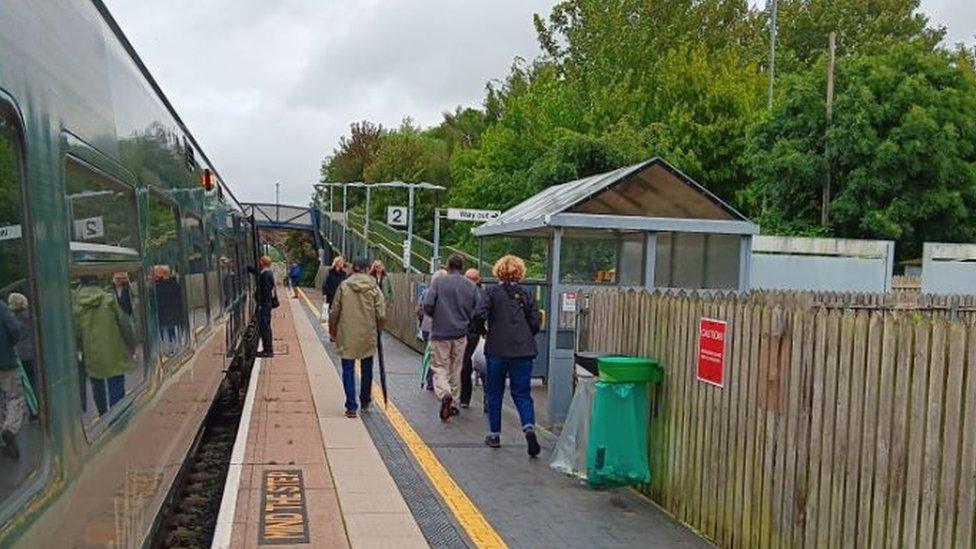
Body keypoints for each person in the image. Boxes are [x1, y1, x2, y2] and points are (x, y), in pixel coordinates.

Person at [482, 255, 541, 457]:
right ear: (520, 272)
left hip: (497, 348)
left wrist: (483, 331)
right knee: (522, 392)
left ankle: (495, 435)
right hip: (523, 350)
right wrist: (525, 336)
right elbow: (535, 322)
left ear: (499, 271)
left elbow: (478, 314)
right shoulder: (527, 294)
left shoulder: (491, 293)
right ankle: (528, 426)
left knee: (494, 392)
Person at [423, 254, 482, 421]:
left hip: (441, 332)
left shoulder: (439, 282)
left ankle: (444, 394)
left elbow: (427, 304)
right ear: (462, 267)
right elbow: (478, 308)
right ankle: (455, 403)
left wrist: (435, 315)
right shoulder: (470, 286)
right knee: (457, 368)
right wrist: (466, 317)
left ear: (447, 266)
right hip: (460, 333)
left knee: (439, 366)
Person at [329, 257, 386, 418]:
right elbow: (381, 314)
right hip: (368, 334)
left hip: (347, 333)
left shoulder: (344, 286)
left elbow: (334, 312)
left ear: (353, 268)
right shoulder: (374, 287)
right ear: (368, 269)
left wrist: (333, 330)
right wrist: (378, 330)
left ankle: (351, 406)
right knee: (367, 368)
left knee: (348, 369)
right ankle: (365, 401)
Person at [73, 275, 136, 417]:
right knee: (116, 380)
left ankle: (103, 414)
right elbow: (124, 323)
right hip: (113, 348)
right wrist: (131, 344)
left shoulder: (76, 305)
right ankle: (117, 414)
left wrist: (78, 350)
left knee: (97, 383)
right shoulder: (109, 299)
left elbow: (76, 332)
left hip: (91, 352)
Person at [0, 300, 24, 458]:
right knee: (14, 398)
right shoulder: (1, 306)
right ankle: (9, 429)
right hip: (5, 360)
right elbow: (14, 329)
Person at [7, 293, 36, 419]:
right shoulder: (31, 315)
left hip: (21, 354)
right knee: (37, 381)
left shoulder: (13, 319)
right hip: (34, 352)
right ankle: (40, 407)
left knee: (27, 384)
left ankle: (33, 409)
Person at [460, 268, 485, 409]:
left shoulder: (461, 293)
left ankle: (464, 398)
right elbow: (482, 315)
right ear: (479, 279)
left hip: (462, 332)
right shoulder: (482, 294)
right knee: (482, 364)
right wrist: (483, 331)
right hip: (476, 334)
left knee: (464, 364)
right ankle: (487, 401)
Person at [154, 265, 183, 357]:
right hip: (165, 312)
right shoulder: (171, 284)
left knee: (169, 330)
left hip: (168, 312)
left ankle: (171, 347)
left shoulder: (169, 284)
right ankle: (168, 347)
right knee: (166, 330)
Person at [250, 256, 277, 357]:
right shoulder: (266, 273)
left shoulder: (265, 275)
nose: (259, 262)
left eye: (260, 261)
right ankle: (267, 349)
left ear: (262, 263)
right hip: (267, 304)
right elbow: (258, 273)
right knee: (266, 327)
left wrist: (260, 304)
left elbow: (265, 291)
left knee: (265, 327)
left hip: (265, 304)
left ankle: (267, 351)